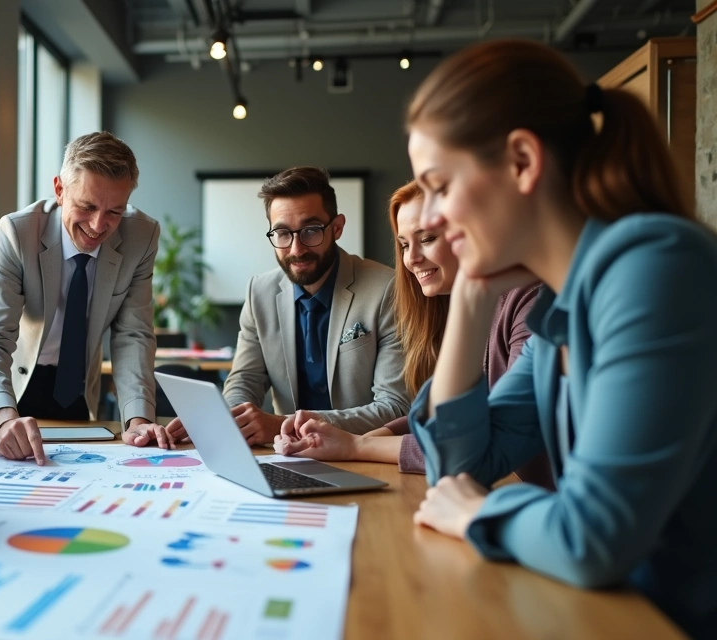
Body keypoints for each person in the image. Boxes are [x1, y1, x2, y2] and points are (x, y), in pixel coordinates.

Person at [402, 39, 717, 636]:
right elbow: (458, 469)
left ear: (522, 160)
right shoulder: (562, 304)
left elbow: (594, 535)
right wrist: (470, 303)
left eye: (440, 185)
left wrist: (481, 512)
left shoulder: (656, 266)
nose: (431, 218)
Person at [274, 181, 550, 488]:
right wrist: (369, 437)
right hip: (499, 489)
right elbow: (438, 414)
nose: (411, 259)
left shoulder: (528, 298)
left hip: (532, 496)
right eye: (404, 245)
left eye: (427, 239)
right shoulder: (451, 307)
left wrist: (357, 447)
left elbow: (475, 444)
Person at [168, 167, 408, 446]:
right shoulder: (259, 292)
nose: (296, 249)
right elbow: (245, 381)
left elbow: (395, 407)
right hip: (287, 456)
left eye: (311, 231)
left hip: (363, 453)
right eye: (282, 233)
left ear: (337, 227)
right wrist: (226, 419)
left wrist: (285, 425)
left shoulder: (387, 290)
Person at [0, 131, 166, 459]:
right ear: (60, 190)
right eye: (87, 206)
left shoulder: (141, 237)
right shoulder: (17, 233)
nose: (98, 225)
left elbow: (133, 335)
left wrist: (138, 420)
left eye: (114, 212)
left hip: (76, 390)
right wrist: (3, 419)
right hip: (12, 388)